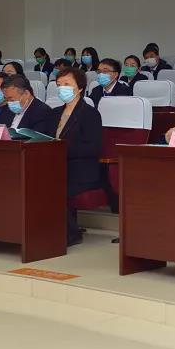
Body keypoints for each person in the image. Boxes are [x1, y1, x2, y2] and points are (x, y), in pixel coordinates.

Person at [54, 68, 104, 246]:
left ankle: (71, 233)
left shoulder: (89, 113)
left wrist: (62, 149)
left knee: (53, 189)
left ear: (80, 87)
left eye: (67, 84)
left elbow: (93, 147)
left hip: (81, 171)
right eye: (59, 85)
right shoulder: (54, 113)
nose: (62, 88)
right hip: (57, 167)